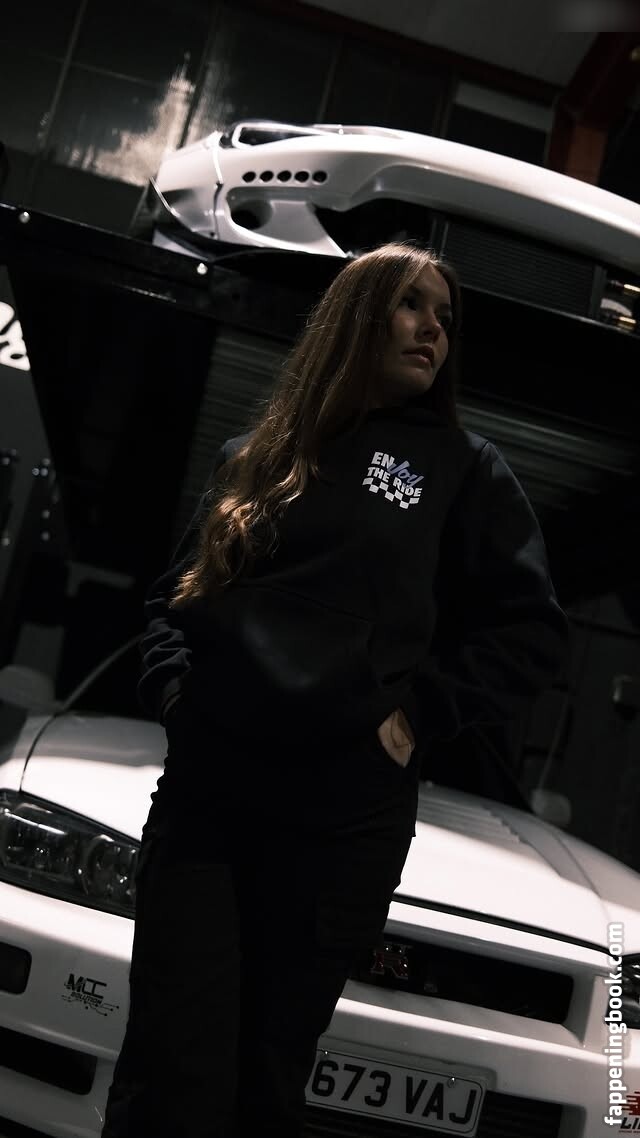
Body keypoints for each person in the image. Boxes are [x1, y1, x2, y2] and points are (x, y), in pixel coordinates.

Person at [100, 241, 569, 1138]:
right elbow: (173, 602)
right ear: (356, 315)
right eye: (411, 304)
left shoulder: (464, 470)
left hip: (340, 823)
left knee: (263, 1082)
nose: (434, 329)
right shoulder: (255, 456)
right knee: (169, 1069)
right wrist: (179, 699)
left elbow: (531, 633)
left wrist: (417, 716)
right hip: (207, 806)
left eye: (445, 317)